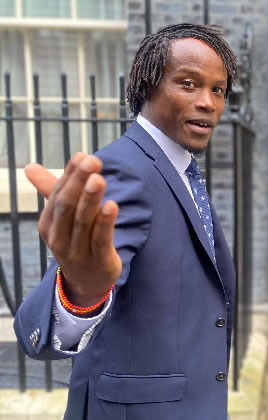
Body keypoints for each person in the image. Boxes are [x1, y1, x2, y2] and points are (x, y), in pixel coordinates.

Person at [13, 23, 237, 420]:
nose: (209, 102)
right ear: (147, 86)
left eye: (218, 90)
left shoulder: (179, 168)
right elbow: (39, 335)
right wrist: (82, 290)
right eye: (188, 83)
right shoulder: (123, 168)